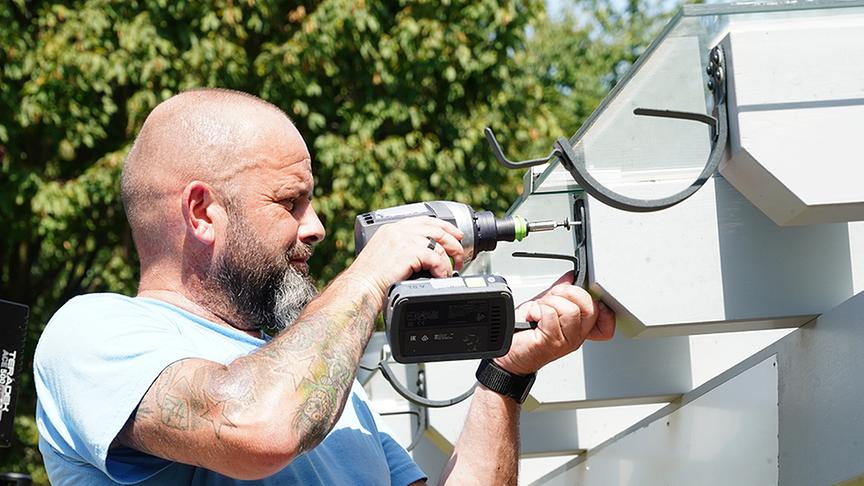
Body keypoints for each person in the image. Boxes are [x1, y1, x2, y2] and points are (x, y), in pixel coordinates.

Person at [34, 88, 616, 485]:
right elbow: (257, 427)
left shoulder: (330, 392)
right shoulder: (91, 334)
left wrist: (505, 375)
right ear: (202, 212)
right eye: (289, 202)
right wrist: (368, 274)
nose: (314, 227)